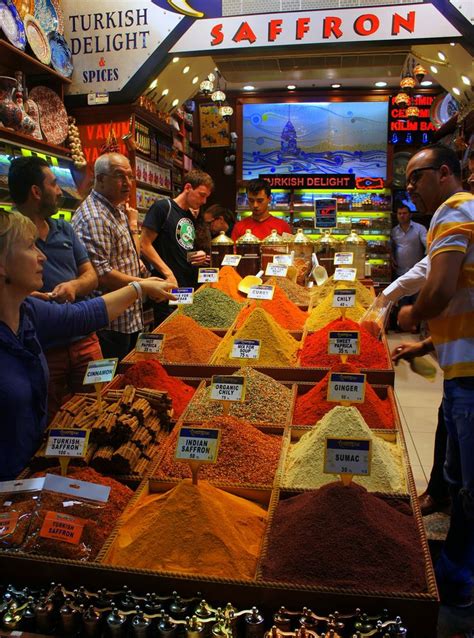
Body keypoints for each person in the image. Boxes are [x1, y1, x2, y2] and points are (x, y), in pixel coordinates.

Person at [0, 209, 174, 480]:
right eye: (29, 246)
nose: (42, 256)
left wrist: (140, 289)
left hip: (30, 472)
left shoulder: (29, 311)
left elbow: (84, 315)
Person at [396, 143, 474, 608]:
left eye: (416, 178)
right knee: (452, 468)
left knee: (468, 485)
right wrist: (427, 345)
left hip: (470, 374)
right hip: (459, 362)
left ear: (444, 173)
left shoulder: (453, 209)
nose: (410, 190)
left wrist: (410, 313)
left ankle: (457, 583)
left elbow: (441, 289)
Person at [8, 156, 102, 419]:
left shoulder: (64, 229)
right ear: (36, 192)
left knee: (99, 410)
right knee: (49, 420)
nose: (60, 190)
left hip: (84, 339)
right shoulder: (10, 236)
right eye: (54, 184)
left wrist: (74, 286)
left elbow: (91, 276)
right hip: (42, 347)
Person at [72, 153, 146, 360]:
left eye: (130, 177)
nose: (127, 183)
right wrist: (144, 286)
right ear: (101, 179)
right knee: (110, 384)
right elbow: (102, 275)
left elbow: (128, 256)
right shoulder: (94, 217)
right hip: (109, 323)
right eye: (120, 176)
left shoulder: (117, 210)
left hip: (127, 316)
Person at [140, 170, 214, 324]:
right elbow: (144, 244)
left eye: (207, 196)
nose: (204, 201)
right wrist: (168, 274)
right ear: (188, 188)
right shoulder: (163, 208)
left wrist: (195, 255)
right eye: (202, 195)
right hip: (167, 288)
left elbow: (178, 248)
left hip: (186, 289)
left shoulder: (188, 217)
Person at [390, 204, 427, 282]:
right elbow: (392, 247)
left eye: (404, 213)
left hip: (417, 272)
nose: (402, 216)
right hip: (400, 273)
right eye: (399, 213)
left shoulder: (420, 229)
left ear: (410, 215)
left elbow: (428, 245)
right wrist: (391, 257)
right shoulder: (394, 231)